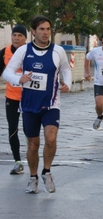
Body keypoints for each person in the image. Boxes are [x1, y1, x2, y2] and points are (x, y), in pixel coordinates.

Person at [2, 15, 72, 194]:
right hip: (28, 105)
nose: (45, 33)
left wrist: (68, 84)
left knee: (51, 138)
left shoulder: (58, 51)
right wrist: (19, 79)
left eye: (48, 29)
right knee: (33, 144)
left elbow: (65, 69)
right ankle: (33, 177)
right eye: (41, 29)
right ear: (33, 31)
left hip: (51, 104)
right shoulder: (23, 51)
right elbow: (7, 73)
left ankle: (46, 171)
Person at [0, 25, 27, 175]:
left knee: (29, 130)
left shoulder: (31, 52)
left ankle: (32, 156)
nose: (16, 38)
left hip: (29, 97)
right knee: (12, 129)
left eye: (20, 35)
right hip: (12, 97)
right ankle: (17, 161)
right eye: (14, 35)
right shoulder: (5, 52)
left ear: (25, 38)